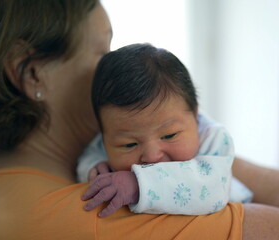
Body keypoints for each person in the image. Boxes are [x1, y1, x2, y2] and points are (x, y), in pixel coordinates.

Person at [0, 0, 279, 239]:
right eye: (102, 52)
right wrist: (198, 142)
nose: (115, 71)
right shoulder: (100, 209)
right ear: (31, 73)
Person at [78, 43, 253, 217]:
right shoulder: (107, 139)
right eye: (129, 144)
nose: (152, 156)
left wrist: (139, 185)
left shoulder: (213, 137)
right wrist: (94, 167)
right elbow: (89, 155)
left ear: (195, 115)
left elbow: (211, 189)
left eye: (169, 135)